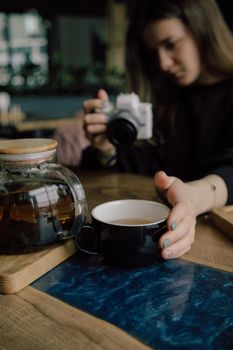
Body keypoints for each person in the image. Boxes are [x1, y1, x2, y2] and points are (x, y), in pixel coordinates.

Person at [82, 0, 233, 260]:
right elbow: (151, 166)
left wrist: (192, 198)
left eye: (171, 44)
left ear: (203, 30)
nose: (163, 63)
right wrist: (107, 149)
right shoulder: (168, 100)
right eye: (154, 52)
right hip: (170, 242)